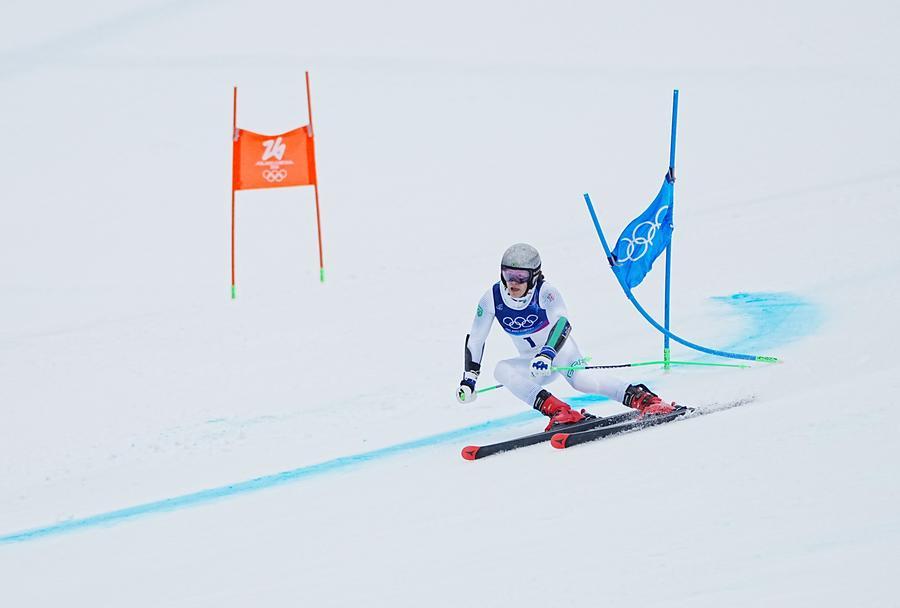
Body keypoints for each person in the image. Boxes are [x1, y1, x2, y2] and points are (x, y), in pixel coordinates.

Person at [456, 243, 675, 430]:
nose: (513, 282)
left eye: (521, 276)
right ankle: (559, 411)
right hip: (533, 363)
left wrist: (547, 353)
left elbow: (562, 323)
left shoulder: (546, 292)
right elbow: (476, 338)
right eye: (508, 275)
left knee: (583, 382)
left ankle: (646, 400)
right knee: (501, 369)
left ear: (533, 276)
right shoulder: (491, 298)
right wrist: (469, 380)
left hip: (560, 354)